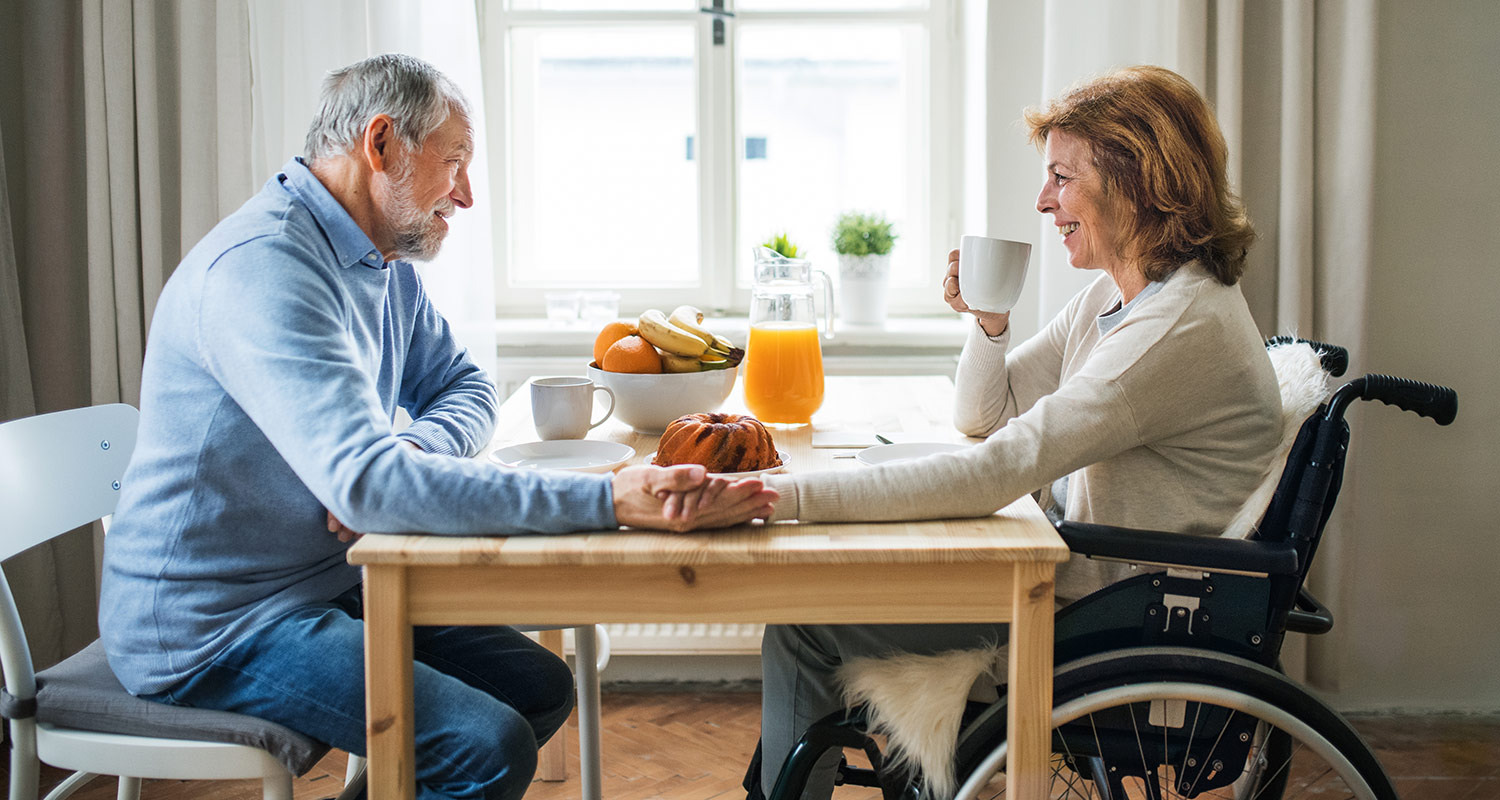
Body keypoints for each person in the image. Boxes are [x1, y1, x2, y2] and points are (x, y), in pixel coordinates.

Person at [99, 54, 775, 800]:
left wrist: (414, 445)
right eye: (454, 162)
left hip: (317, 585)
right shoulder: (266, 270)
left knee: (538, 686)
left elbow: (465, 386)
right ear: (381, 144)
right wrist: (613, 498)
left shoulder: (378, 262)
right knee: (482, 747)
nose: (468, 194)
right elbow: (367, 490)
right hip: (212, 624)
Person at [752, 65, 1282, 799]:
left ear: (1137, 179)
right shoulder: (1121, 298)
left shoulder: (1175, 326)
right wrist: (989, 319)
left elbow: (1001, 465)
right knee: (821, 611)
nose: (1043, 201)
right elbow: (984, 416)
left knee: (803, 626)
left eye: (1062, 177)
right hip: (1089, 597)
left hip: (1111, 629)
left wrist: (786, 496)